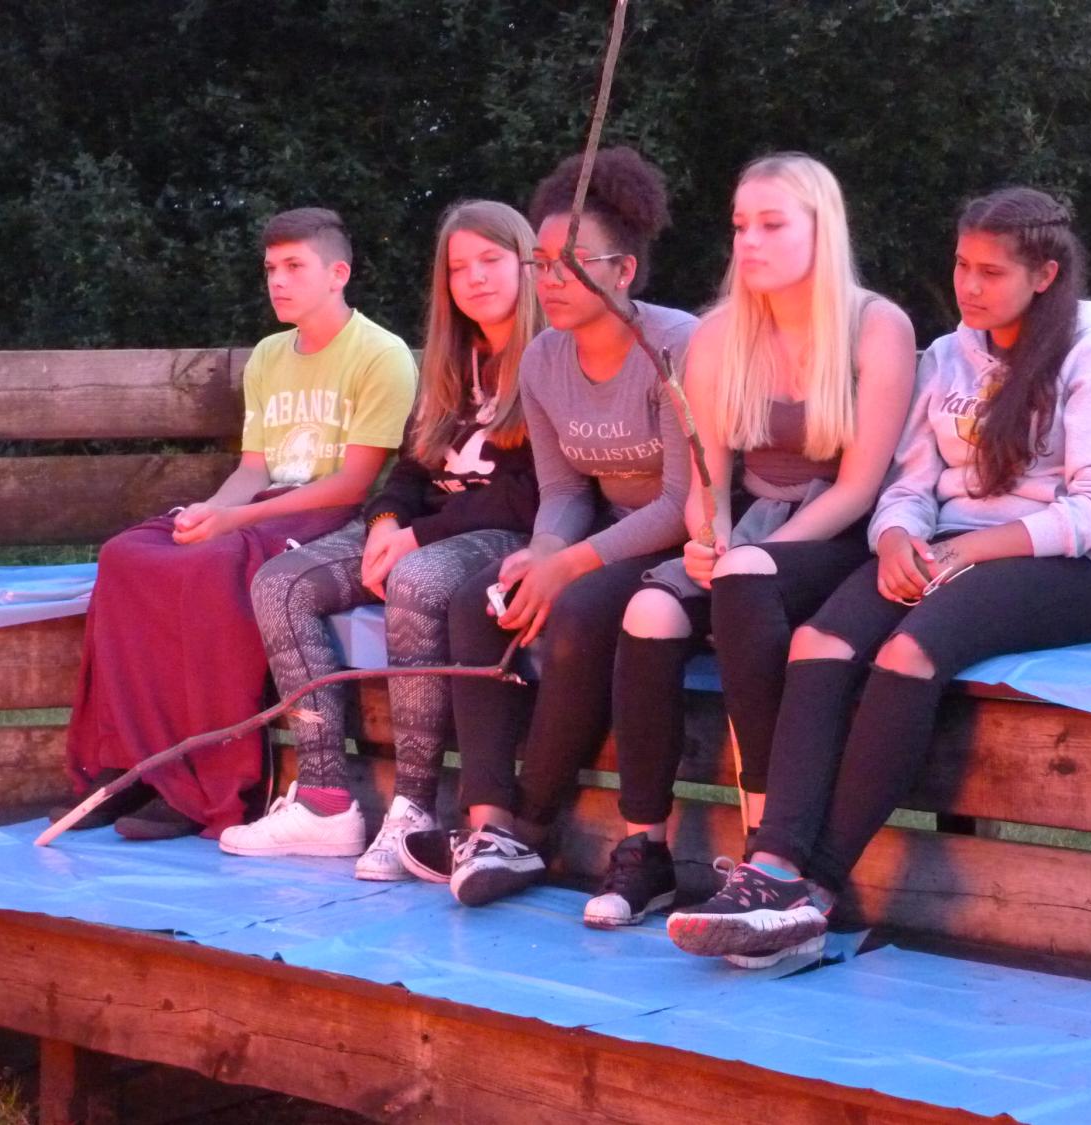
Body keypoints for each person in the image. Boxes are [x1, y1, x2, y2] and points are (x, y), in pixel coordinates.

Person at [666, 186, 1091, 964]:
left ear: (1045, 275)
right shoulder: (948, 355)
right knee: (820, 643)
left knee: (906, 653)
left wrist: (971, 552)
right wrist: (894, 537)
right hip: (942, 549)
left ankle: (817, 890)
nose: (969, 286)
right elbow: (909, 483)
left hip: (1067, 567)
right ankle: (772, 867)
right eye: (962, 265)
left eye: (991, 272)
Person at [584, 153, 916, 929]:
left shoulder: (877, 327)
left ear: (821, 230)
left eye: (772, 225)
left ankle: (766, 841)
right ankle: (645, 850)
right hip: (751, 530)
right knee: (649, 612)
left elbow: (860, 486)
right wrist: (709, 539)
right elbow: (709, 478)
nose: (750, 242)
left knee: (744, 578)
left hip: (843, 536)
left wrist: (753, 557)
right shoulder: (719, 335)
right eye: (741, 226)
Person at [395, 147, 698, 906]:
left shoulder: (676, 347)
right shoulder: (542, 359)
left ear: (623, 272)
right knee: (481, 601)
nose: (550, 281)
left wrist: (568, 567)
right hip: (599, 528)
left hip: (679, 538)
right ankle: (486, 822)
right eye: (541, 264)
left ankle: (531, 827)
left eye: (572, 264)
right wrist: (541, 554)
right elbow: (562, 490)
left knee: (580, 611)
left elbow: (679, 501)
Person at [60, 208, 416, 840]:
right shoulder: (269, 356)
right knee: (126, 556)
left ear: (338, 274)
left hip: (330, 514)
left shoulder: (380, 354)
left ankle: (206, 783)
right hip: (264, 505)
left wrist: (235, 523)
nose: (277, 281)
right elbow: (253, 468)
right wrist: (212, 512)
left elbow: (354, 483)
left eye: (294, 267)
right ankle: (132, 763)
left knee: (211, 570)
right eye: (271, 268)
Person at [217, 200, 545, 876]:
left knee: (413, 580)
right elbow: (411, 470)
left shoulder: (547, 357)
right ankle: (325, 801)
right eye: (459, 267)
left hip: (503, 533)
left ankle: (414, 809)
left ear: (527, 265)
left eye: (491, 260)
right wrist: (386, 522)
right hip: (424, 528)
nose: (476, 277)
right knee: (280, 584)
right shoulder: (451, 360)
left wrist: (418, 535)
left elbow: (529, 493)